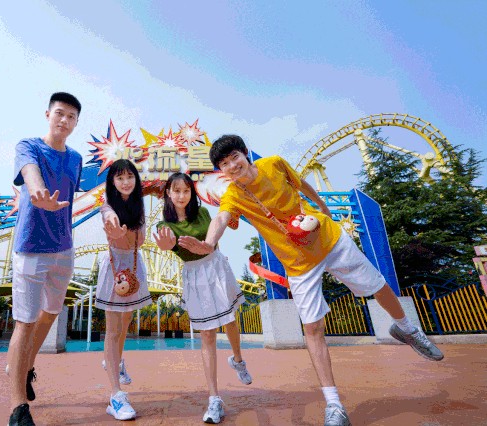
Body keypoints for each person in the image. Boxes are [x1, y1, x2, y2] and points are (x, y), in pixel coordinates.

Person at [178, 134, 444, 426]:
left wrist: (323, 208)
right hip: (298, 263)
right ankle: (334, 405)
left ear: (245, 154)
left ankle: (407, 329)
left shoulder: (274, 164)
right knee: (313, 328)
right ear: (222, 171)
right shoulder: (233, 194)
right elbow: (221, 218)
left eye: (234, 158)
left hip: (328, 239)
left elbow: (302, 184)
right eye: (225, 164)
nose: (232, 166)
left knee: (378, 285)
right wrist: (208, 244)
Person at [6, 92, 83, 426]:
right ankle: (17, 408)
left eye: (71, 116)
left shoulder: (76, 158)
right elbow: (30, 173)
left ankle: (25, 367)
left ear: (76, 123)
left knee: (51, 312)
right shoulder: (29, 146)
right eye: (60, 113)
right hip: (30, 247)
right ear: (48, 114)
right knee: (24, 322)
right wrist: (37, 193)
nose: (64, 120)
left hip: (63, 248)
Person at [154, 172, 253, 424]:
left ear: (192, 192)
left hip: (215, 266)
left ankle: (238, 360)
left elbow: (213, 238)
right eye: (176, 191)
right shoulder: (164, 226)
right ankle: (214, 398)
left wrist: (206, 245)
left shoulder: (203, 213)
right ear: (168, 193)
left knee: (230, 320)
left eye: (186, 190)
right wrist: (166, 246)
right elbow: (168, 245)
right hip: (194, 275)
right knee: (207, 334)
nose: (181, 195)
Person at [95, 159, 153, 421]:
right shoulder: (108, 206)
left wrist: (129, 233)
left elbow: (140, 240)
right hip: (114, 267)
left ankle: (115, 361)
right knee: (113, 329)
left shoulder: (139, 206)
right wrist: (116, 228)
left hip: (133, 265)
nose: (125, 182)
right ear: (112, 182)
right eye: (119, 178)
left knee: (126, 321)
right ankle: (116, 395)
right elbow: (110, 219)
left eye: (130, 176)